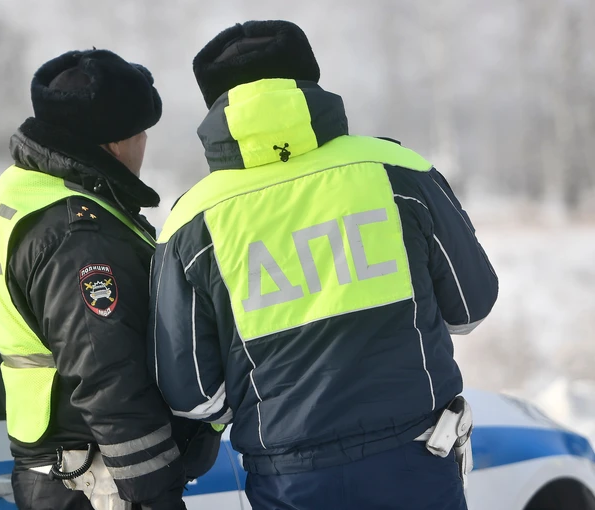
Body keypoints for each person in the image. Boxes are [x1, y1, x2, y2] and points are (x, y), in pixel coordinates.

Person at [149, 20, 499, 510]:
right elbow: (471, 307)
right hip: (416, 460)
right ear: (309, 79)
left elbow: (192, 395)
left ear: (215, 104)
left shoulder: (191, 221)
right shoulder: (398, 171)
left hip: (288, 482)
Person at [0, 49, 218, 510]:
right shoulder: (78, 235)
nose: (144, 144)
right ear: (113, 144)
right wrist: (157, 493)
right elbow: (106, 374)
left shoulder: (22, 188)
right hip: (98, 478)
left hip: (66, 466)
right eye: (140, 133)